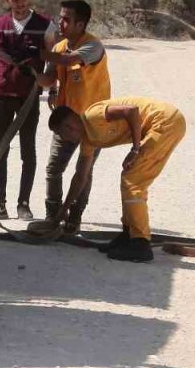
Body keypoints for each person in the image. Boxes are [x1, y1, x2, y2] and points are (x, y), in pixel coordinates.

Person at [42, 97, 187, 262]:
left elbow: (131, 111)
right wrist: (63, 211)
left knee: (133, 181)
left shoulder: (93, 116)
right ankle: (128, 235)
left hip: (165, 122)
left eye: (61, 133)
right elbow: (80, 177)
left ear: (70, 125)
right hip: (163, 123)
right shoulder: (88, 140)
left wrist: (135, 149)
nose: (64, 139)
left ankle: (141, 243)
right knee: (129, 178)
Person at [0, 0, 58, 220]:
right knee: (0, 149)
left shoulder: (45, 25)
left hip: (29, 95)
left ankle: (23, 203)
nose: (19, 3)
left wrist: (53, 88)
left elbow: (53, 59)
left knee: (27, 151)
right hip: (1, 93)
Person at [34, 0, 110, 235]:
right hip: (65, 121)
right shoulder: (58, 48)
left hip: (91, 123)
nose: (61, 22)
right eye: (60, 17)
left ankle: (74, 217)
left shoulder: (93, 47)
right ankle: (53, 214)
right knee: (53, 169)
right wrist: (32, 69)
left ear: (81, 23)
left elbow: (68, 61)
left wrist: (39, 52)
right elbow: (48, 80)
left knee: (83, 172)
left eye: (67, 19)